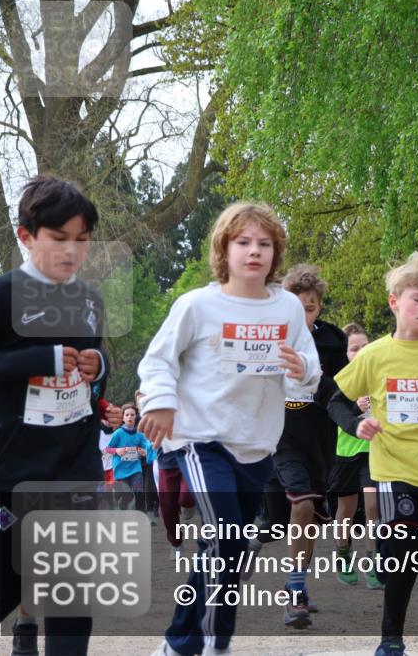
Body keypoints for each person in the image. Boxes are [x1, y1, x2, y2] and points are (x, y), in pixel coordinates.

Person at [139, 202, 321, 656]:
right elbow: (157, 360)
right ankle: (203, 646)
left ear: (276, 254)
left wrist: (300, 369)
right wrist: (161, 402)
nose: (254, 251)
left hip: (256, 446)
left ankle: (191, 637)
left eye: (264, 244)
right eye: (243, 242)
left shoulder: (287, 310)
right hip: (201, 439)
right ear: (224, 249)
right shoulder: (197, 305)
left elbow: (307, 371)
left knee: (233, 549)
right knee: (227, 534)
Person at [0, 175, 110, 655]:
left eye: (82, 239)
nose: (71, 251)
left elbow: (92, 374)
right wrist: (41, 361)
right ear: (26, 236)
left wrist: (99, 368)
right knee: (6, 588)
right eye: (59, 239)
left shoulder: (91, 301)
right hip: (10, 467)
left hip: (75, 464)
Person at [329, 251, 418, 656]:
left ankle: (394, 550)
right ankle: (391, 638)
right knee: (406, 554)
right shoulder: (374, 356)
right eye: (417, 299)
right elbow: (336, 400)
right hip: (392, 470)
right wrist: (356, 424)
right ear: (395, 302)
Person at [264, 264, 348, 628]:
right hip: (283, 435)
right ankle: (295, 595)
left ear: (320, 308)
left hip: (321, 438)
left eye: (310, 308)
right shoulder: (270, 339)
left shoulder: (332, 341)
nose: (302, 314)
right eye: (295, 307)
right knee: (301, 505)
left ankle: (297, 585)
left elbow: (344, 387)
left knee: (310, 515)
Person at [327, 323, 384, 589]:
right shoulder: (341, 378)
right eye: (354, 348)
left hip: (373, 449)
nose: (361, 352)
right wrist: (354, 405)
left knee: (373, 506)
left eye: (365, 346)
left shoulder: (379, 372)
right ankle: (342, 553)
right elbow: (332, 409)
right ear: (345, 352)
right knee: (346, 509)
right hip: (346, 450)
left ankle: (373, 562)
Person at [104, 403, 155, 511]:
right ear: (123, 417)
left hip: (135, 468)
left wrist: (144, 452)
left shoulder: (139, 434)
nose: (129, 417)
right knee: (126, 495)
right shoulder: (118, 433)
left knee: (139, 493)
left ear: (136, 417)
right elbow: (108, 449)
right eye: (127, 415)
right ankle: (122, 510)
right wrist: (117, 450)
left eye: (132, 415)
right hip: (121, 470)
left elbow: (147, 448)